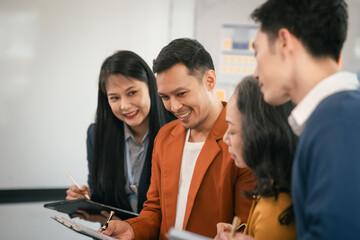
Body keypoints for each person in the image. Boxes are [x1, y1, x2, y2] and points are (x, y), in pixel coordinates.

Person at [101, 38, 256, 239]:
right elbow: (155, 210)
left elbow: (247, 224)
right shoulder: (165, 137)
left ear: (209, 81)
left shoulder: (242, 139)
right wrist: (132, 229)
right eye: (165, 97)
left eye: (181, 93)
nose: (174, 107)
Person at [250, 0, 360, 239]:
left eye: (257, 53)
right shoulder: (336, 115)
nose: (255, 72)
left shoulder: (336, 122)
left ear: (284, 42)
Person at [65, 50, 172, 224]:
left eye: (132, 93)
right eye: (114, 98)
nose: (124, 106)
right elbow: (99, 194)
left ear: (151, 87)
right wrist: (84, 198)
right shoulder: (97, 135)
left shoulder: (175, 131)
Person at [215, 76, 297, 240]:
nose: (225, 139)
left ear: (258, 133)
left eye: (231, 130)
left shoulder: (275, 210)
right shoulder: (275, 187)